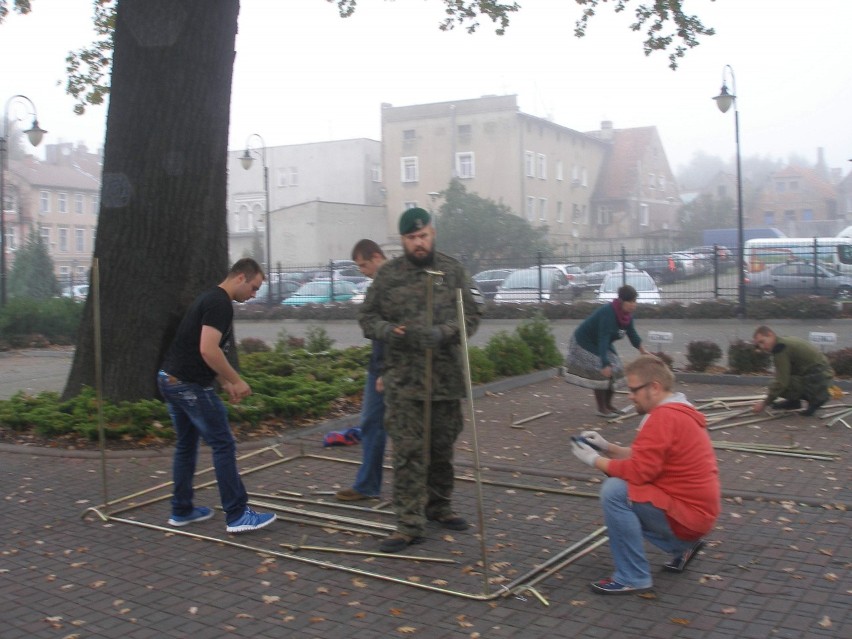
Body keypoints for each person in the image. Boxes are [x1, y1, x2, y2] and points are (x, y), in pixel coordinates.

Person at [359, 207, 484, 553]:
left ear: (433, 233)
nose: (419, 242)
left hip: (445, 380)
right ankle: (408, 524)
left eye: (424, 235)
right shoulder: (388, 276)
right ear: (402, 240)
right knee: (409, 453)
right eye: (412, 238)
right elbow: (367, 317)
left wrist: (446, 332)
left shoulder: (453, 271)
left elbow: (473, 314)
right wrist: (387, 330)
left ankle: (439, 506)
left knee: (441, 450)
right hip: (404, 382)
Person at [571, 355, 721, 594]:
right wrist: (607, 448)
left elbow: (639, 471)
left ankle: (633, 576)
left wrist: (594, 460)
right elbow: (647, 459)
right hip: (695, 514)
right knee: (624, 489)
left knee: (615, 492)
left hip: (688, 516)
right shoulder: (679, 409)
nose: (630, 396)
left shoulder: (663, 417)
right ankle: (683, 547)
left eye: (633, 390)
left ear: (654, 387)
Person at [158, 258, 276, 534]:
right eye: (254, 287)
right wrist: (237, 380)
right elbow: (208, 350)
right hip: (188, 385)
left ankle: (182, 510)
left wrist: (225, 383)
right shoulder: (219, 303)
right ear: (240, 278)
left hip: (169, 379)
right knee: (223, 444)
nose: (254, 295)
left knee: (187, 446)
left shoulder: (211, 299)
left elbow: (204, 352)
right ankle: (237, 514)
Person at [335, 239, 388, 502]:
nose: (362, 271)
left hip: (389, 369)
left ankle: (419, 493)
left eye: (364, 265)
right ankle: (368, 484)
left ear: (377, 257)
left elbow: (390, 333)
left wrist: (383, 371)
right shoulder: (379, 284)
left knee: (383, 424)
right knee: (371, 423)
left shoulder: (392, 284)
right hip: (381, 367)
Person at [563, 284, 650, 417]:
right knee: (602, 372)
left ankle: (609, 405)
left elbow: (632, 334)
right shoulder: (608, 313)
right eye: (631, 301)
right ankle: (602, 409)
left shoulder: (627, 316)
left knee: (616, 368)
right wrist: (604, 363)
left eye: (635, 301)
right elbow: (603, 338)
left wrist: (643, 351)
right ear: (622, 301)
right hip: (584, 342)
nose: (634, 305)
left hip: (600, 343)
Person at [751, 325, 833, 416]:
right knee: (785, 379)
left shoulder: (780, 349)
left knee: (776, 385)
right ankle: (794, 402)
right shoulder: (783, 341)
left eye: (762, 342)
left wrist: (765, 403)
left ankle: (816, 400)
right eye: (759, 345)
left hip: (819, 378)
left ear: (770, 335)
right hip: (821, 374)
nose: (762, 347)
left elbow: (781, 382)